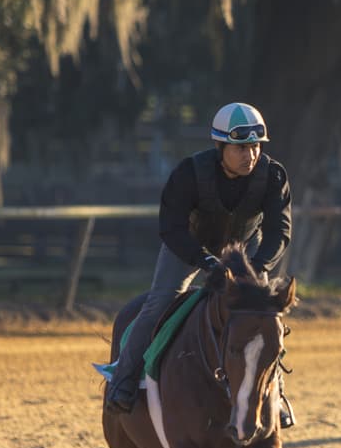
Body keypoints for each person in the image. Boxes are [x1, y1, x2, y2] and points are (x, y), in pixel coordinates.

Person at [103, 102, 292, 414]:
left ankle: (277, 397)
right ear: (220, 147)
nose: (251, 156)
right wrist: (205, 261)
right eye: (241, 148)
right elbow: (172, 228)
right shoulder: (189, 173)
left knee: (264, 316)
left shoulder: (273, 176)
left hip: (247, 250)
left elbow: (279, 232)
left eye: (255, 147)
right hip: (190, 246)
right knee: (157, 304)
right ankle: (122, 383)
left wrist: (257, 268)